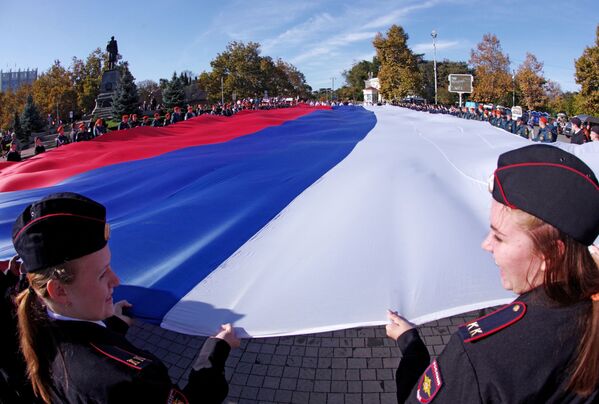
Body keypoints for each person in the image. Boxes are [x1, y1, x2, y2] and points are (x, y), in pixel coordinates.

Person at [386, 144, 599, 403]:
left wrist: (412, 350)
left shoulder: (483, 355)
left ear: (551, 254)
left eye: (499, 236)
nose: (486, 245)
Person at [13, 192, 240, 403]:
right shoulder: (129, 379)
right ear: (59, 291)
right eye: (102, 274)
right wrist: (216, 350)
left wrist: (112, 324)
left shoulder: (38, 323)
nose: (116, 280)